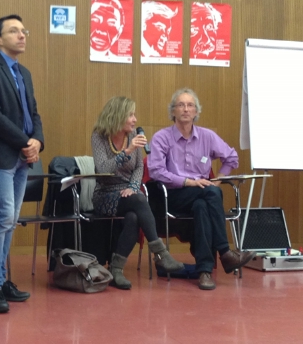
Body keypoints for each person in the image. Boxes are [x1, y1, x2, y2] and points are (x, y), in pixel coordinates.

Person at [147, 88, 255, 290]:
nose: (185, 109)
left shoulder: (207, 136)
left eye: (190, 105)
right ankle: (225, 253)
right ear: (173, 111)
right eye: (181, 105)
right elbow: (156, 171)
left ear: (196, 111)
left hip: (202, 194)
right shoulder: (162, 137)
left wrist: (217, 180)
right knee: (211, 193)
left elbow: (232, 157)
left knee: (201, 206)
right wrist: (188, 182)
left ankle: (205, 271)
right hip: (172, 195)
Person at [0, 14, 43, 313]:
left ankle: (1, 281)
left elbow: (34, 113)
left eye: (23, 30)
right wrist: (25, 142)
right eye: (14, 31)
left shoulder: (24, 72)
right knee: (3, 216)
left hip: (22, 157)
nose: (22, 35)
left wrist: (37, 141)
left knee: (11, 219)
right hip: (2, 154)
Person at [90, 97, 184, 289]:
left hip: (129, 193)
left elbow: (139, 167)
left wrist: (133, 187)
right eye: (131, 115)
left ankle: (116, 270)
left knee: (133, 217)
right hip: (105, 194)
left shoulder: (132, 134)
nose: (135, 119)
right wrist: (127, 151)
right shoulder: (99, 135)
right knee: (139, 200)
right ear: (118, 116)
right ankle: (160, 254)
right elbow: (102, 169)